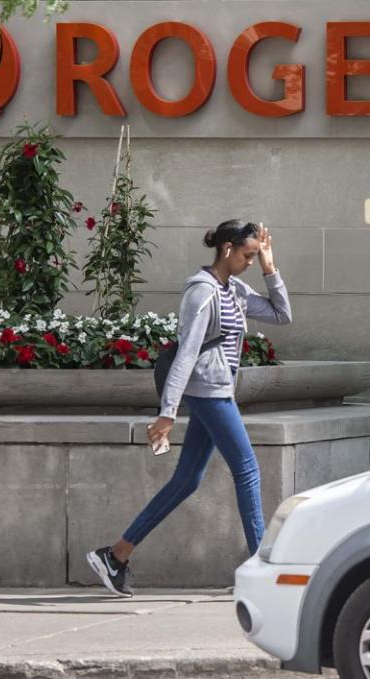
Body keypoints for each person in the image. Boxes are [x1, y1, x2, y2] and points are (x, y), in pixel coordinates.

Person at [86, 220, 292, 597]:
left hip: (216, 390)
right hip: (209, 392)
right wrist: (168, 412)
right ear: (227, 249)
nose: (250, 261)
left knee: (187, 480)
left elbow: (282, 314)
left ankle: (115, 556)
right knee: (247, 471)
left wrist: (269, 266)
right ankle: (259, 573)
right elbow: (186, 353)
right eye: (248, 255)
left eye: (254, 256)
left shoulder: (236, 289)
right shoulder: (202, 292)